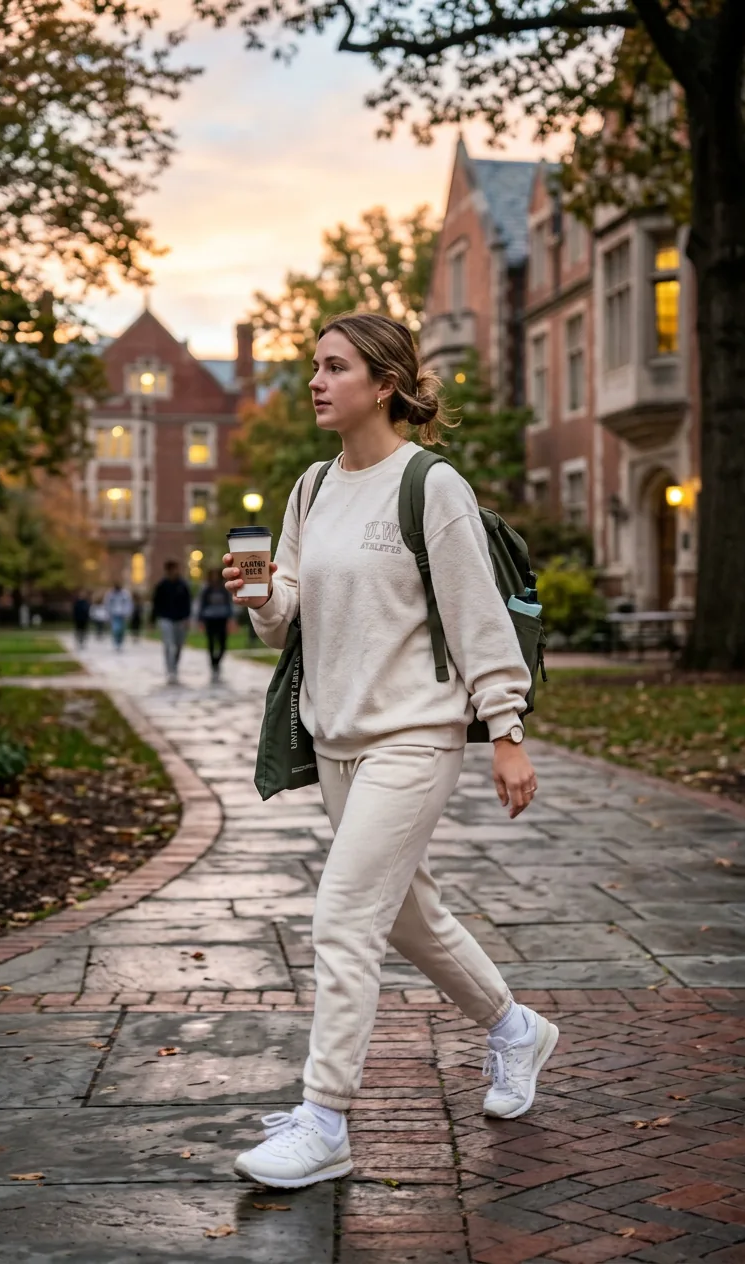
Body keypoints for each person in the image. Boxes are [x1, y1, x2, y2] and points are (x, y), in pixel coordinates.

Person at [223, 312, 554, 1190]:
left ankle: (324, 1119)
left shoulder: (429, 485)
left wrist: (507, 732)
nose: (316, 382)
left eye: (334, 367)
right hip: (337, 740)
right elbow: (287, 610)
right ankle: (516, 1029)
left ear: (383, 384)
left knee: (342, 919)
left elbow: (478, 616)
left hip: (415, 736)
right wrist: (260, 595)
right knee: (411, 918)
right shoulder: (311, 487)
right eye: (314, 368)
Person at [151, 560, 192, 685]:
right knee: (168, 645)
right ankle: (170, 670)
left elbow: (187, 603)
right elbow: (156, 603)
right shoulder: (162, 585)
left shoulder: (183, 585)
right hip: (166, 618)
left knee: (179, 645)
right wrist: (153, 619)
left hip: (180, 619)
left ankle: (175, 665)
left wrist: (187, 618)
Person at [197, 566, 235, 682]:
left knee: (223, 644)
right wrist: (200, 620)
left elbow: (229, 604)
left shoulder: (224, 589)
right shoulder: (206, 589)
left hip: (222, 618)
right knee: (211, 643)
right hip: (210, 619)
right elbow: (201, 605)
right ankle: (213, 664)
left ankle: (217, 662)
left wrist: (231, 618)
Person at [105, 582, 133, 651]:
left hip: (122, 615)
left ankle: (120, 643)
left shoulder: (125, 594)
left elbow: (129, 604)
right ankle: (116, 643)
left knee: (122, 630)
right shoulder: (110, 594)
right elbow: (107, 604)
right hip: (114, 614)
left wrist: (128, 613)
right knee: (115, 629)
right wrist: (108, 614)